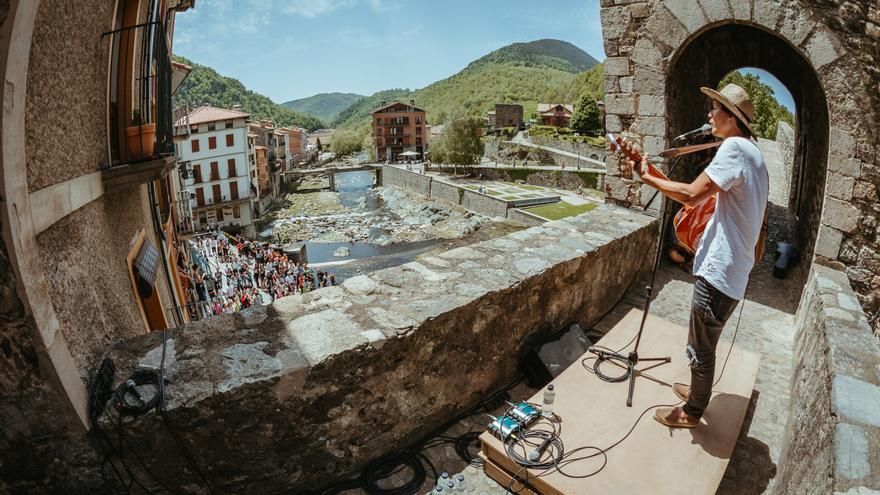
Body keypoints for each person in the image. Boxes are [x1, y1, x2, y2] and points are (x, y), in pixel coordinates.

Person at [633, 84, 769, 429]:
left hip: (720, 273)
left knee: (701, 348)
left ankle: (692, 412)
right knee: (706, 342)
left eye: (715, 109)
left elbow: (692, 195)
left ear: (732, 117)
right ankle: (697, 392)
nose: (709, 115)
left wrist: (648, 177)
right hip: (733, 272)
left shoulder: (735, 148)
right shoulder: (754, 154)